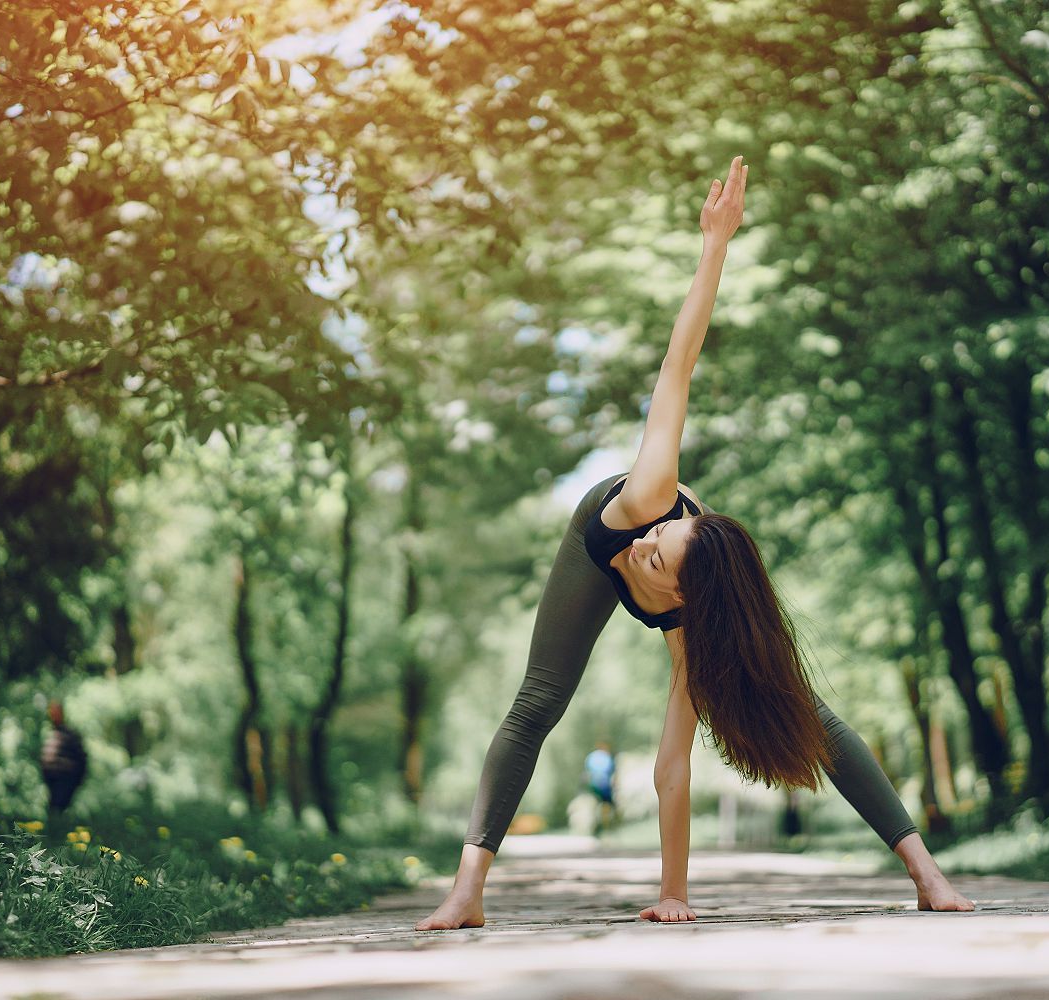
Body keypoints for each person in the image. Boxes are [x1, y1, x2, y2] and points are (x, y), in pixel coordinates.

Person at [416, 157, 972, 930]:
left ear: (680, 597)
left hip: (702, 597)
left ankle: (925, 872)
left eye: (657, 555)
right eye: (663, 537)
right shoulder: (645, 501)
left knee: (804, 707)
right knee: (538, 702)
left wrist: (674, 894)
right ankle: (467, 891)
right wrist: (715, 248)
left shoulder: (691, 621)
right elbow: (678, 366)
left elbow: (670, 766)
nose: (651, 543)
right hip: (588, 534)